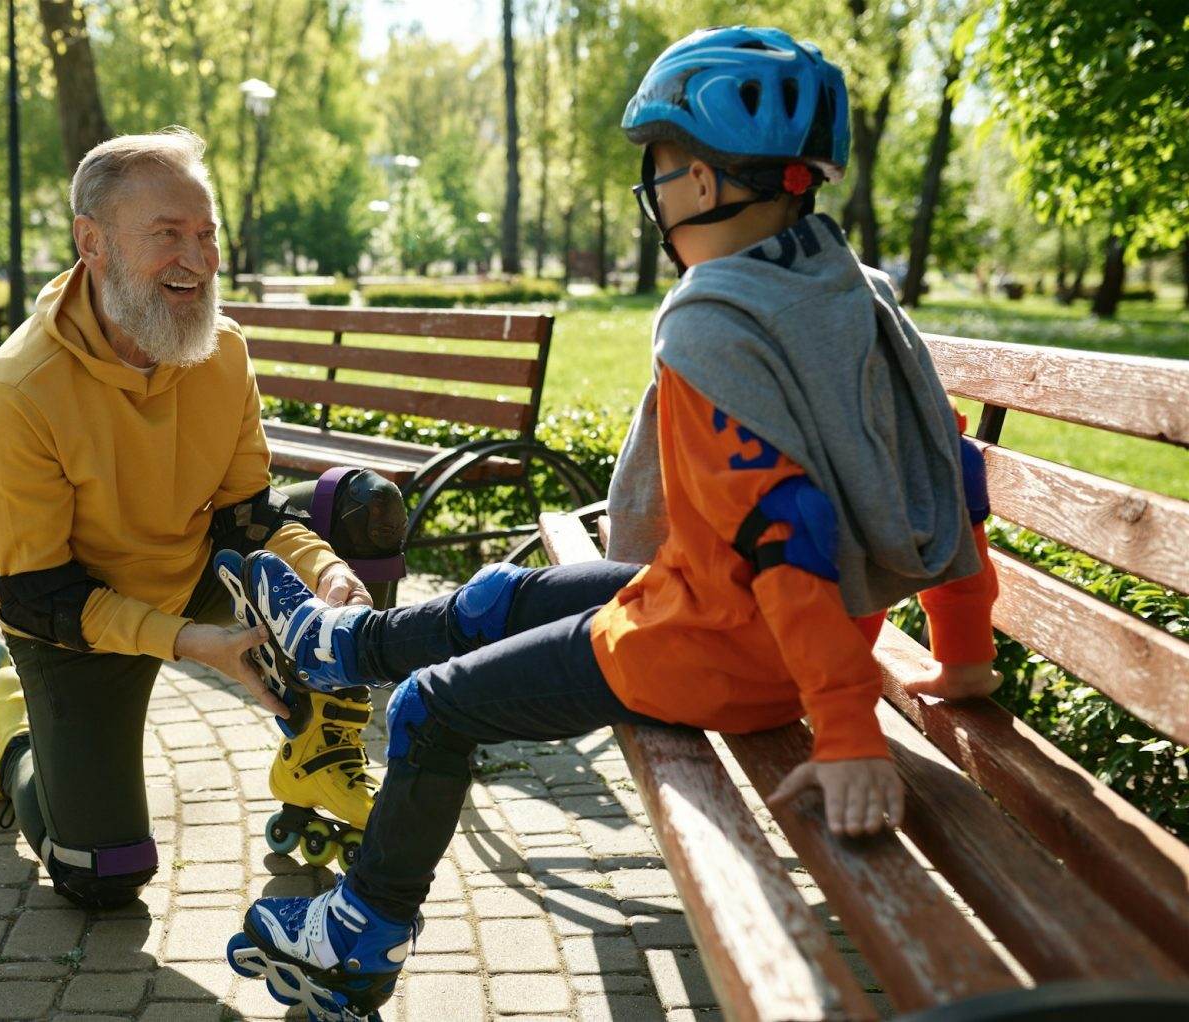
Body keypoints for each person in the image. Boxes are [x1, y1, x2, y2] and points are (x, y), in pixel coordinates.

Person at [219, 26, 1003, 1022]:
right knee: (509, 595)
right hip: (740, 613)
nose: (656, 190)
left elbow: (788, 530)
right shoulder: (853, 292)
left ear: (716, 183)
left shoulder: (716, 329)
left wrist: (848, 734)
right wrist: (965, 653)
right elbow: (953, 480)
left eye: (665, 167)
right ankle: (341, 644)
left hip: (729, 652)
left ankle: (361, 931)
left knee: (429, 708)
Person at [0, 127, 402, 910]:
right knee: (104, 876)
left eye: (206, 235)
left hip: (196, 574)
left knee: (362, 510)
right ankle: (11, 731)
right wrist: (192, 644)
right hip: (80, 620)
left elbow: (248, 521)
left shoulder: (221, 351)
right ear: (90, 242)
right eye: (167, 235)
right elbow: (42, 597)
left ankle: (323, 755)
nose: (196, 260)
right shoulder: (15, 395)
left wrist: (327, 570)